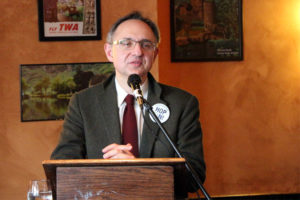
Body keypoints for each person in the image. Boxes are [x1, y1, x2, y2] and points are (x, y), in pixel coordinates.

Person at [51, 11, 206, 195]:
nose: (138, 51)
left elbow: (194, 176)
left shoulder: (182, 103)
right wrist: (112, 172)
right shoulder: (83, 103)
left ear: (155, 53)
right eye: (127, 43)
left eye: (146, 44)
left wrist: (138, 171)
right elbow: (63, 171)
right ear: (109, 52)